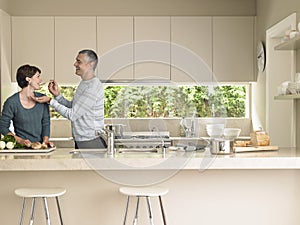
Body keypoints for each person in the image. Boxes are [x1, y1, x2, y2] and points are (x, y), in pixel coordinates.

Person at [34, 49, 106, 149]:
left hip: (91, 142)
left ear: (90, 64)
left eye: (79, 61)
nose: (75, 64)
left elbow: (72, 115)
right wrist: (58, 96)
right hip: (83, 141)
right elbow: (75, 108)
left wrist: (50, 101)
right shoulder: (85, 83)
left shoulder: (92, 87)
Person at [0, 64, 53, 147]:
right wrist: (20, 140)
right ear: (28, 79)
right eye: (38, 76)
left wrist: (45, 141)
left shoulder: (43, 99)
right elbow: (3, 127)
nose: (41, 80)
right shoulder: (11, 102)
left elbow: (46, 123)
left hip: (40, 148)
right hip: (21, 148)